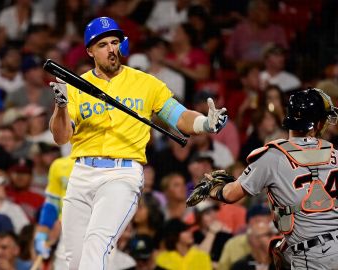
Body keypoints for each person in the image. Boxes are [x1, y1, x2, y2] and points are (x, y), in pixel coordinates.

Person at [49, 16, 228, 269]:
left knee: (96, 243)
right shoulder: (76, 86)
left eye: (115, 42)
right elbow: (61, 136)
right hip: (81, 173)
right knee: (75, 259)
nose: (111, 49)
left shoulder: (145, 83)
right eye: (102, 45)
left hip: (121, 174)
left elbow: (177, 116)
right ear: (90, 51)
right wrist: (60, 107)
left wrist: (204, 124)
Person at [201, 88, 338, 269]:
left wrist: (212, 187)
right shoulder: (335, 154)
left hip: (312, 256)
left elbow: (230, 194)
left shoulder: (273, 156)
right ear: (317, 124)